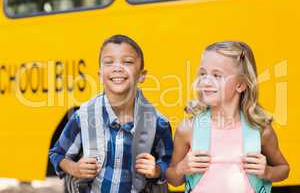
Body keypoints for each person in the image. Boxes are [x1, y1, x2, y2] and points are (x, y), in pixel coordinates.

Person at [49, 34, 173, 193]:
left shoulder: (158, 123)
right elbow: (57, 154)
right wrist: (74, 168)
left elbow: (169, 164)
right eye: (109, 62)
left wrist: (156, 170)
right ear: (100, 75)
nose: (117, 67)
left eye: (127, 62)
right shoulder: (83, 116)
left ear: (142, 75)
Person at [166, 41, 290, 193]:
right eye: (203, 74)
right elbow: (172, 178)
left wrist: (267, 172)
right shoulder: (188, 129)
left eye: (217, 75)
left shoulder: (261, 131)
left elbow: (284, 169)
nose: (206, 81)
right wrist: (181, 168)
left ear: (241, 85)